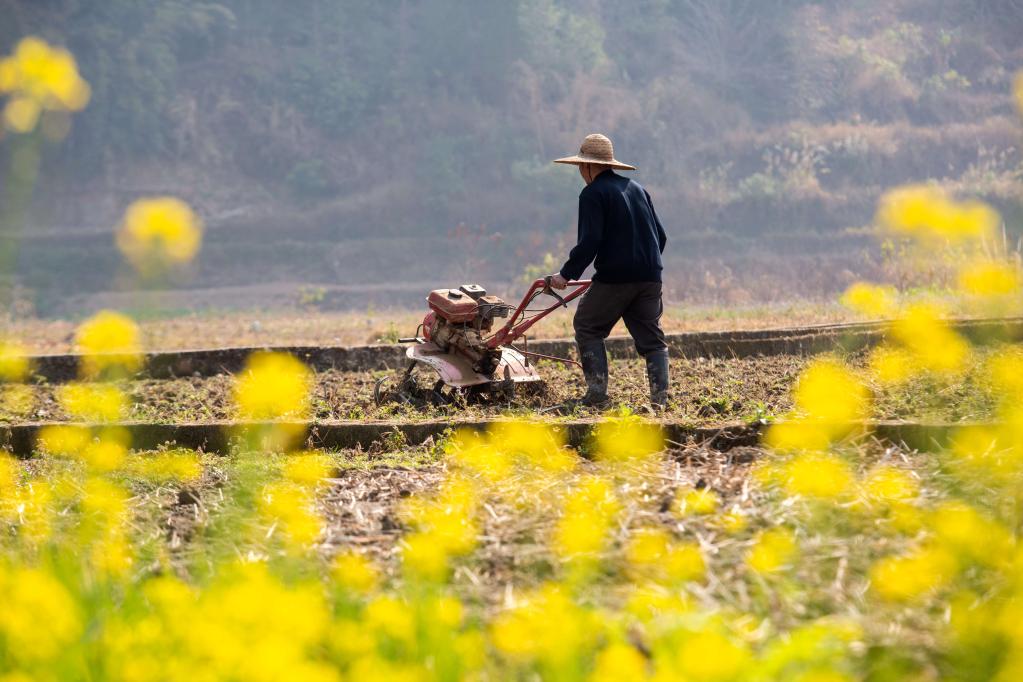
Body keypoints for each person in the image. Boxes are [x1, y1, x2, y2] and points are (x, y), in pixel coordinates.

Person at [548, 133, 669, 409]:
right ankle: (660, 400)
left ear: (588, 166)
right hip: (651, 277)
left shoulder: (592, 194)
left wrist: (565, 275)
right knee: (652, 340)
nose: (580, 172)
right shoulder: (637, 189)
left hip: (616, 278)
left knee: (587, 325)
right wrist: (643, 265)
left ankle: (597, 395)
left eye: (580, 167)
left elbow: (590, 241)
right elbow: (660, 237)